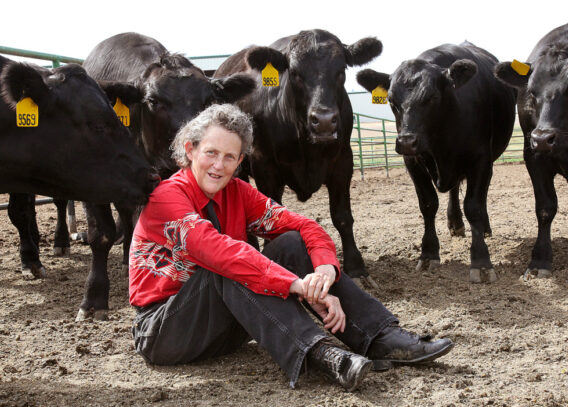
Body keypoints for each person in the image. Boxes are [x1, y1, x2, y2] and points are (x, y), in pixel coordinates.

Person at [128, 103, 453, 391]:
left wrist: (324, 270)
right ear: (190, 149)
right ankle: (322, 354)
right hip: (164, 332)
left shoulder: (238, 192)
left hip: (228, 326)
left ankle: (380, 338)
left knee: (291, 243)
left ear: (240, 160)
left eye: (229, 157)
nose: (219, 165)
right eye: (211, 152)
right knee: (229, 265)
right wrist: (299, 286)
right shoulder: (165, 197)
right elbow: (219, 253)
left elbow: (304, 226)